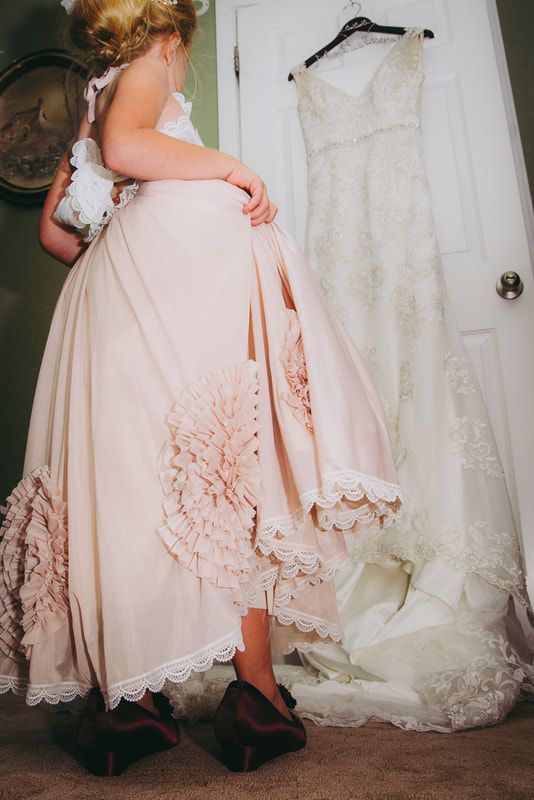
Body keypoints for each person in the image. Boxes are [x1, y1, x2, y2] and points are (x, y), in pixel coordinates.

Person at [0, 0, 402, 776]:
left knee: (127, 493)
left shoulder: (94, 91)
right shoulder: (149, 67)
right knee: (226, 484)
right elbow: (129, 146)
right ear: (172, 29)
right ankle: (255, 698)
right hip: (172, 289)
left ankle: (130, 709)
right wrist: (229, 168)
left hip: (104, 302)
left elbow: (56, 234)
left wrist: (121, 251)